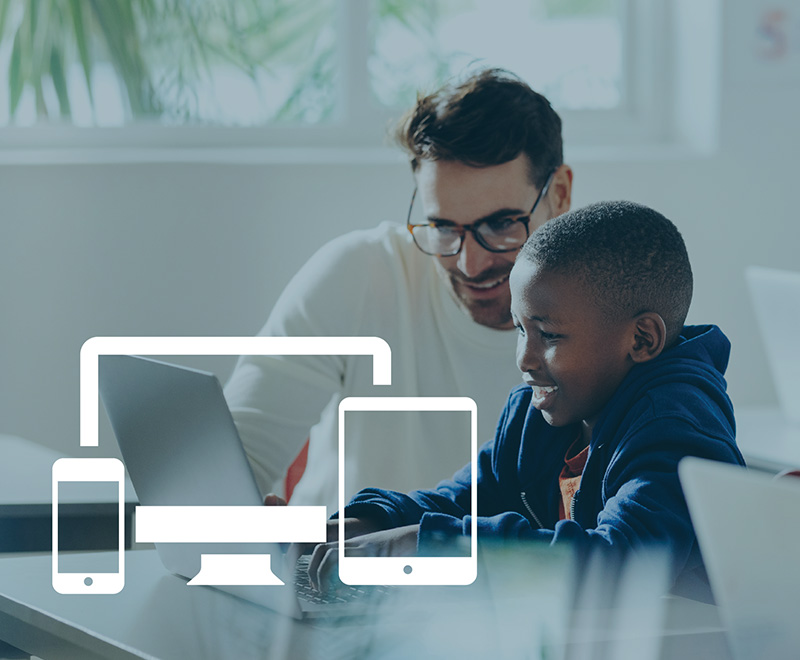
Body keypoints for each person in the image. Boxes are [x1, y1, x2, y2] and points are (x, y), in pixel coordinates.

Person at [303, 201, 745, 594]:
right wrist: (364, 525)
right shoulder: (539, 415)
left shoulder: (676, 429)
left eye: (549, 335)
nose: (525, 358)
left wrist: (427, 545)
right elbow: (460, 500)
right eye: (520, 329)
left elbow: (619, 562)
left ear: (642, 339)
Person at [223, 69, 573, 512]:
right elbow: (232, 462)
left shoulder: (612, 322)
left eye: (501, 224)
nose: (469, 263)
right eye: (443, 228)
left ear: (559, 193)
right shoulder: (362, 274)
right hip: (326, 573)